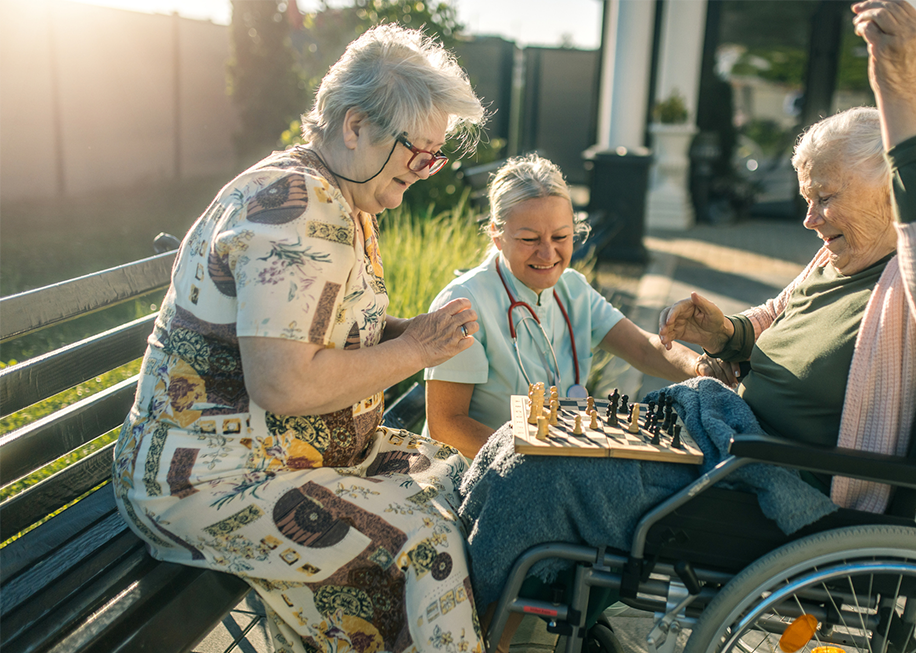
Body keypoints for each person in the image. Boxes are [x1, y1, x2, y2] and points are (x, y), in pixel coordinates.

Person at [112, 25, 488, 653]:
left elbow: (336, 335)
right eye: (417, 152)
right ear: (354, 127)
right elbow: (285, 382)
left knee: (451, 473)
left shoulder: (342, 199)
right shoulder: (293, 208)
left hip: (291, 458)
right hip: (207, 480)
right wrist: (416, 350)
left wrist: (420, 335)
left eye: (435, 155)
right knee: (425, 543)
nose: (426, 170)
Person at [659, 0, 916, 512]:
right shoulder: (834, 260)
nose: (809, 219)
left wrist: (900, 86)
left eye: (826, 196)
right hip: (733, 447)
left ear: (892, 190)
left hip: (775, 484)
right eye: (807, 200)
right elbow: (780, 317)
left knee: (563, 487)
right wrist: (727, 335)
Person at [423, 153, 734, 458]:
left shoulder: (573, 288)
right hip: (481, 471)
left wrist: (702, 369)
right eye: (530, 239)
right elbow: (446, 424)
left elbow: (642, 348)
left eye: (561, 236)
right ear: (497, 235)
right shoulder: (463, 304)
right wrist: (525, 458)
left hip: (551, 462)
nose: (548, 254)